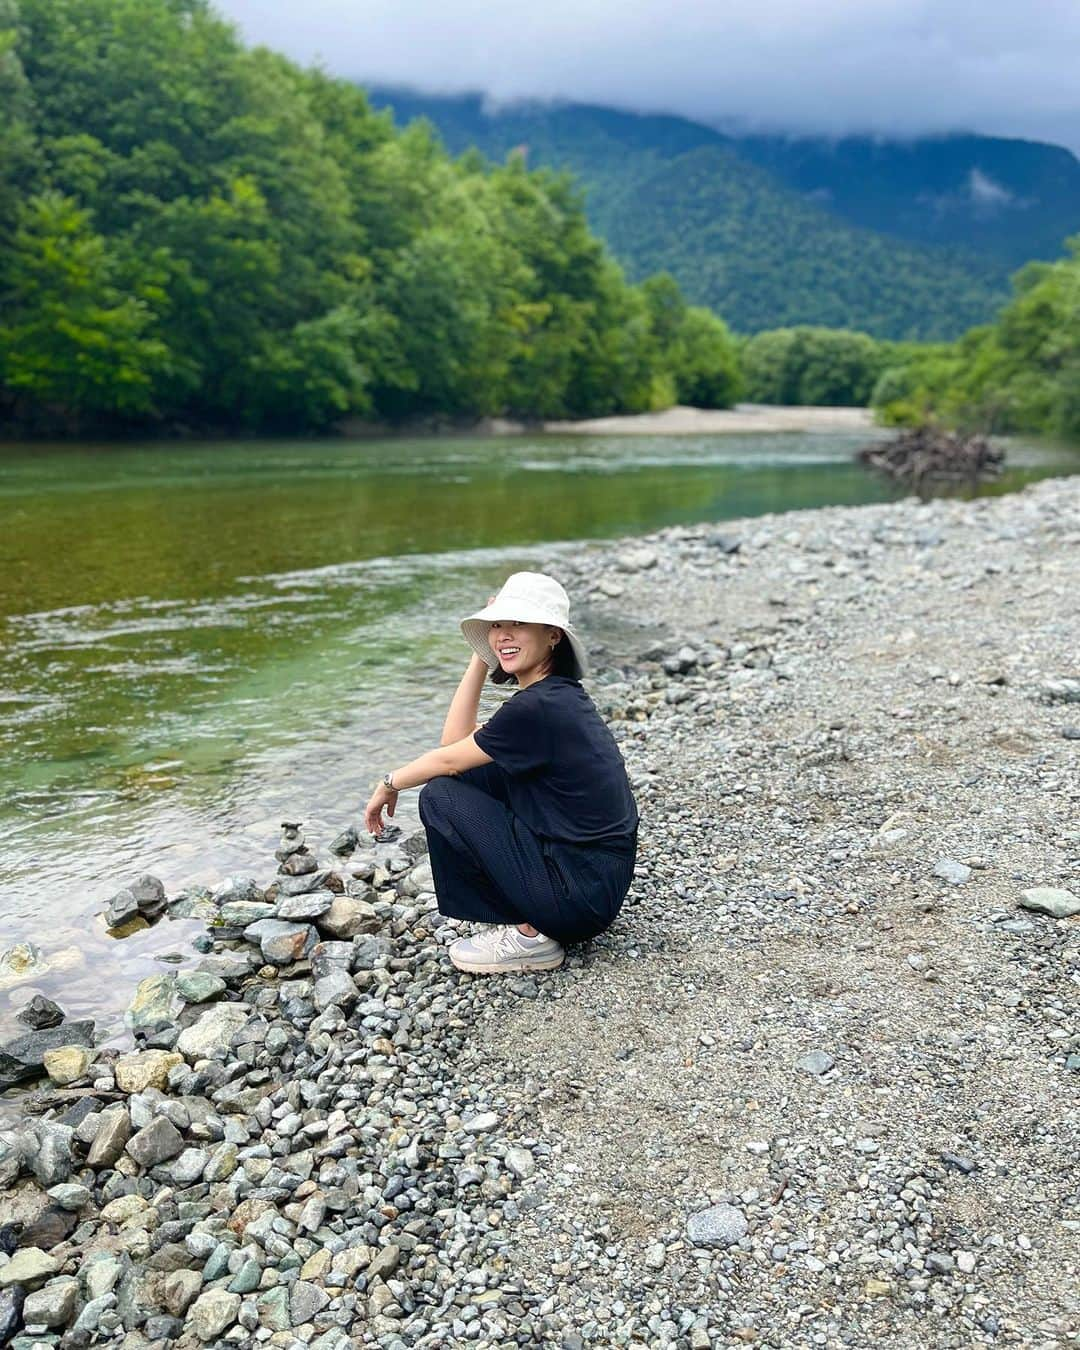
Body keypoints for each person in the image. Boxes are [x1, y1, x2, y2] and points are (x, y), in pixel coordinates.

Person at [363, 572, 638, 974]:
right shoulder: (554, 698)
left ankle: (529, 935)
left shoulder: (538, 708)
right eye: (496, 626)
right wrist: (483, 654)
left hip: (576, 900)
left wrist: (388, 783)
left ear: (553, 636)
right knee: (465, 778)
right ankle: (534, 919)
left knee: (439, 794)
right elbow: (454, 744)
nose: (504, 634)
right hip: (593, 887)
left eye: (518, 624)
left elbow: (447, 761)